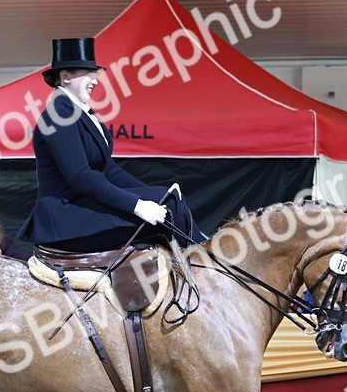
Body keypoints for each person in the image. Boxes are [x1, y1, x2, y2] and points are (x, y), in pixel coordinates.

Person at [17, 37, 207, 253]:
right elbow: (81, 177)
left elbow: (108, 169)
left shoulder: (82, 112)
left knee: (169, 198)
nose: (95, 81)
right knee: (171, 205)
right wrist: (137, 205)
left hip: (84, 206)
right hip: (65, 218)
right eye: (88, 74)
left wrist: (148, 194)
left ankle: (200, 253)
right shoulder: (58, 114)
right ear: (65, 77)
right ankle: (204, 259)